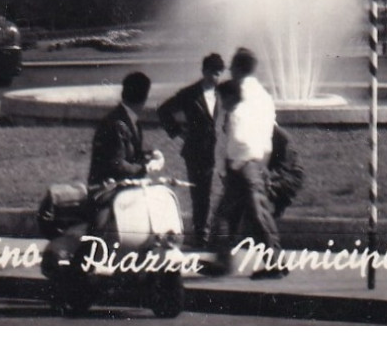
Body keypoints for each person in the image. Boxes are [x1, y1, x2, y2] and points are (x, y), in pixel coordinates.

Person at [215, 48, 286, 278]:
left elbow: (236, 135)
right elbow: (269, 132)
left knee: (254, 214)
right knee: (232, 213)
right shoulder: (264, 96)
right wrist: (262, 159)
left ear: (237, 68)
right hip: (257, 160)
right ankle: (223, 260)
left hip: (242, 163)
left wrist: (231, 165)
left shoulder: (236, 94)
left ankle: (272, 263)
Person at [157, 52, 226, 245]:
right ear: (204, 71)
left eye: (220, 73)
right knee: (200, 192)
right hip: (197, 151)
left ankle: (211, 232)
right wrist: (178, 131)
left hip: (218, 150)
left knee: (216, 191)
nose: (217, 78)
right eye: (214, 73)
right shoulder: (189, 94)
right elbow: (163, 110)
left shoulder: (222, 93)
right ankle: (201, 233)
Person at [88, 71, 163, 185]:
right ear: (145, 97)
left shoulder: (131, 120)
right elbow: (117, 164)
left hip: (123, 186)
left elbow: (131, 155)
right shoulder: (116, 123)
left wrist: (150, 155)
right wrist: (146, 168)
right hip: (106, 189)